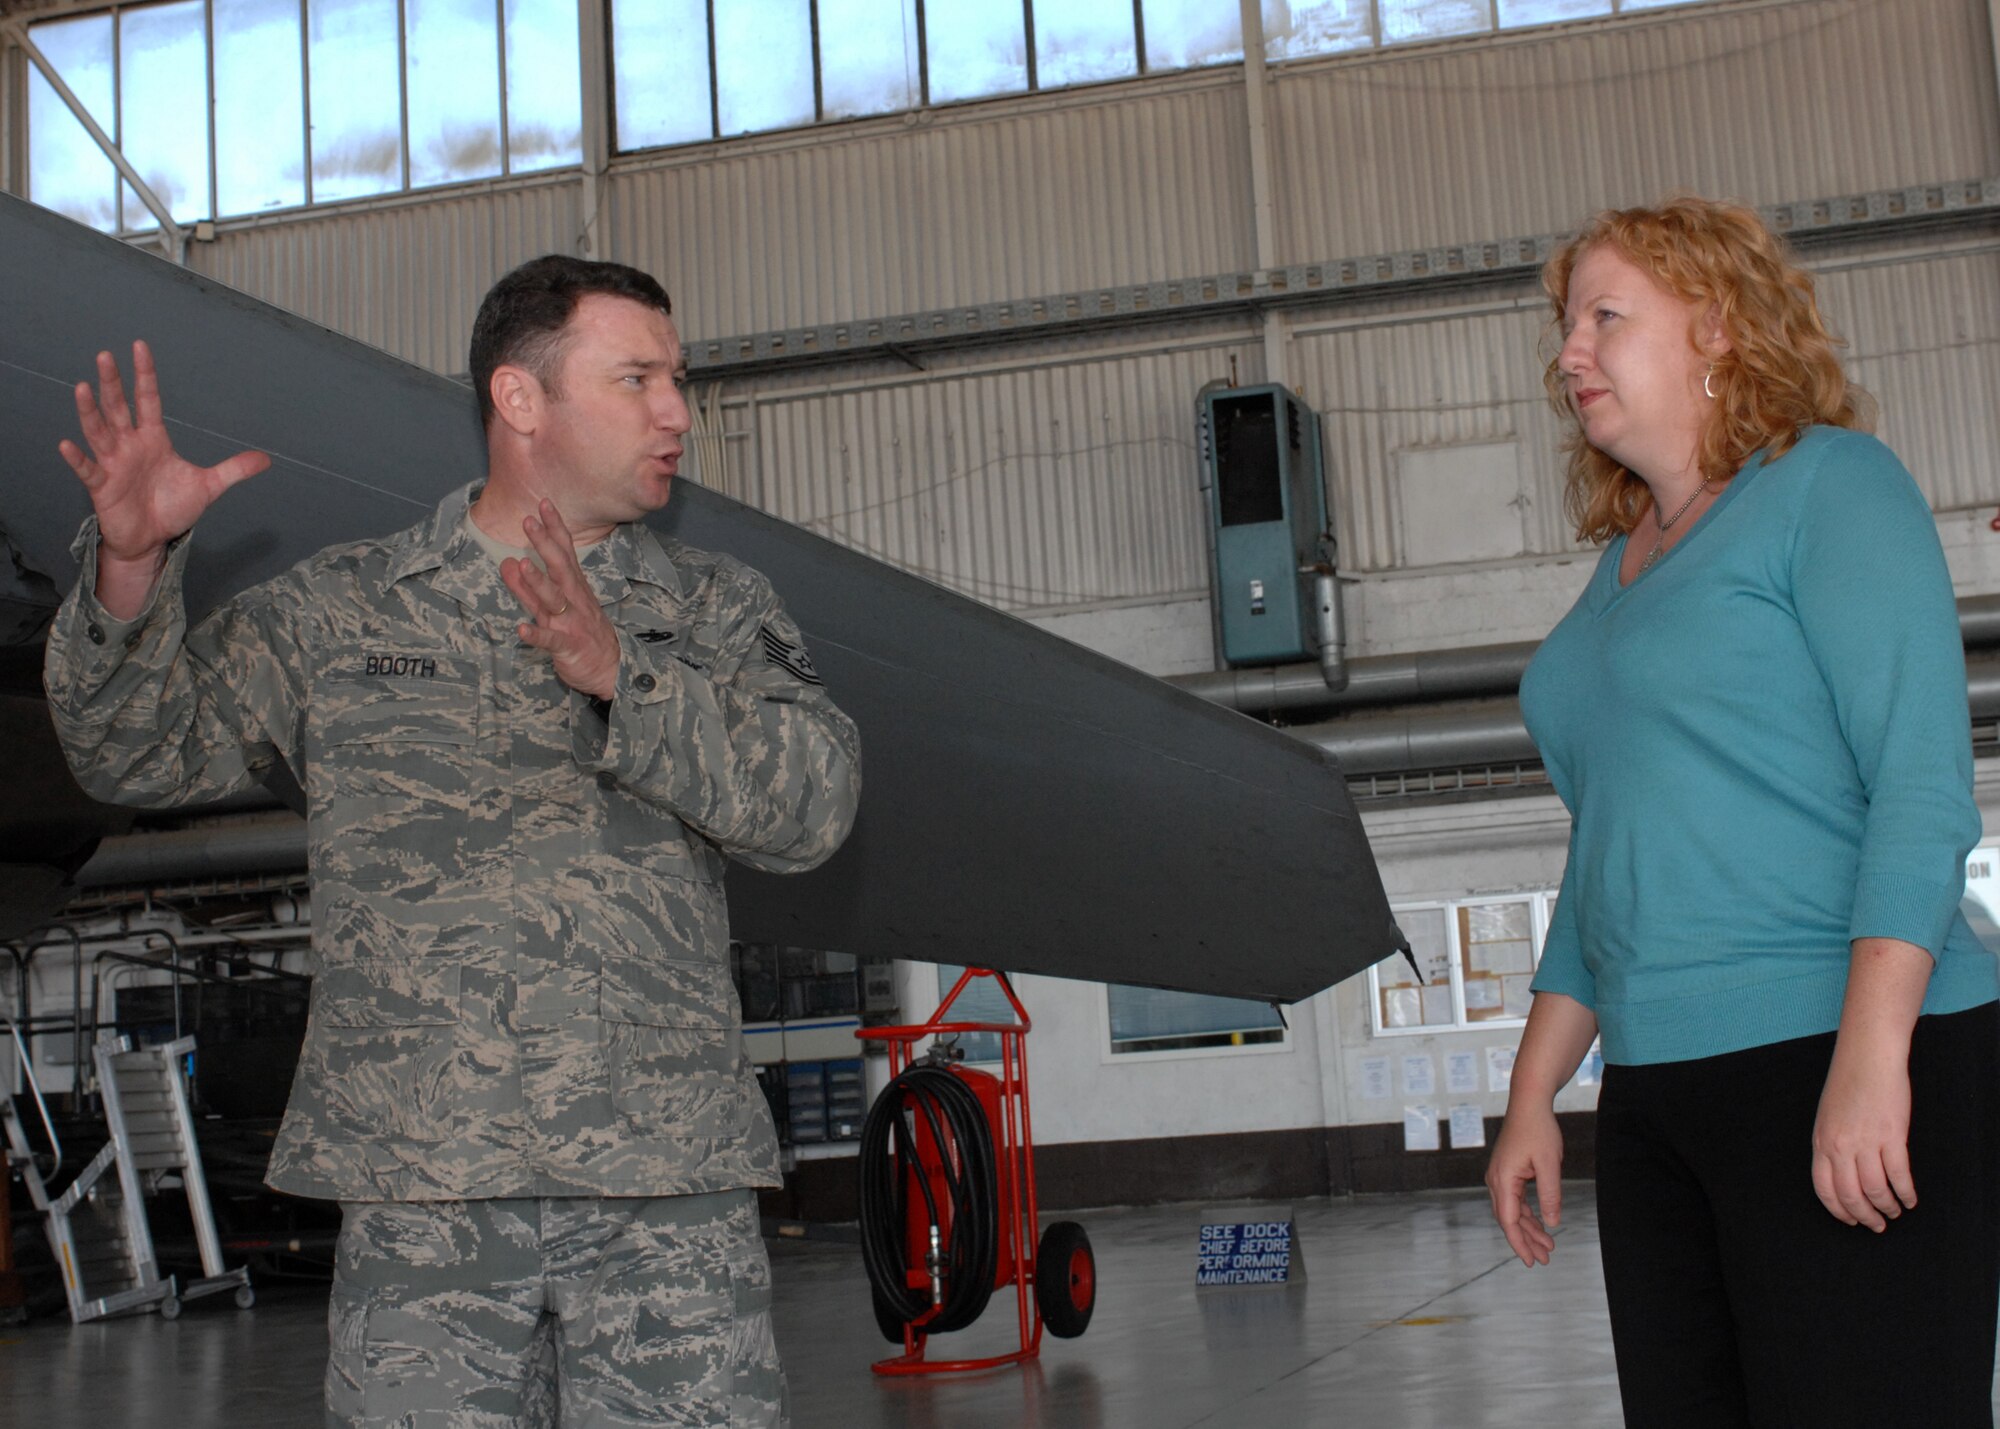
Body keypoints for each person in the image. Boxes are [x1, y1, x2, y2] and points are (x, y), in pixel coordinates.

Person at [43, 255, 860, 1427]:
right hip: (421, 1194)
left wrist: (624, 678)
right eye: (636, 378)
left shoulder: (716, 609)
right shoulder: (345, 609)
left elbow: (818, 806)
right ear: (520, 399)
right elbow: (136, 753)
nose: (677, 411)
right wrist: (128, 571)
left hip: (660, 1193)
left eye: (677, 380)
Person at [1483, 196, 2000, 1427]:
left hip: (1843, 1047)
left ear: (1716, 327)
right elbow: (1607, 872)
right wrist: (1526, 1102)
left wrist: (1869, 1059)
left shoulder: (1828, 486)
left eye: (1605, 315)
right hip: (1658, 1092)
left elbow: (1920, 787)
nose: (1570, 352)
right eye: (1565, 326)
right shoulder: (1618, 573)